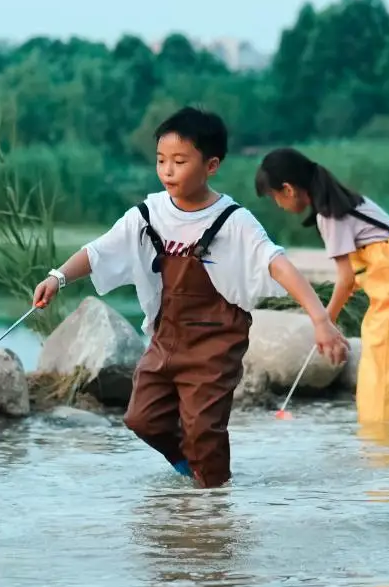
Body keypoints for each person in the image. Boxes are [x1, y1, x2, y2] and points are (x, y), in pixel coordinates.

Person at [31, 107, 348, 489]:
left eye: (179, 161)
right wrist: (58, 276)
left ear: (211, 165)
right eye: (161, 160)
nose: (167, 170)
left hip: (216, 343)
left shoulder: (233, 220)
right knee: (140, 418)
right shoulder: (148, 214)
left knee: (204, 428)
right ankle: (189, 466)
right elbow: (100, 250)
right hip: (167, 337)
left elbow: (277, 264)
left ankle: (214, 505)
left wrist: (319, 318)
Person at [255, 147, 389, 427]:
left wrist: (325, 323)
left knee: (380, 381)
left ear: (288, 189)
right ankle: (384, 450)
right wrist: (328, 323)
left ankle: (384, 455)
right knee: (378, 374)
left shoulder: (330, 215)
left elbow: (346, 278)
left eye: (274, 197)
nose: (278, 204)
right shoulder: (344, 202)